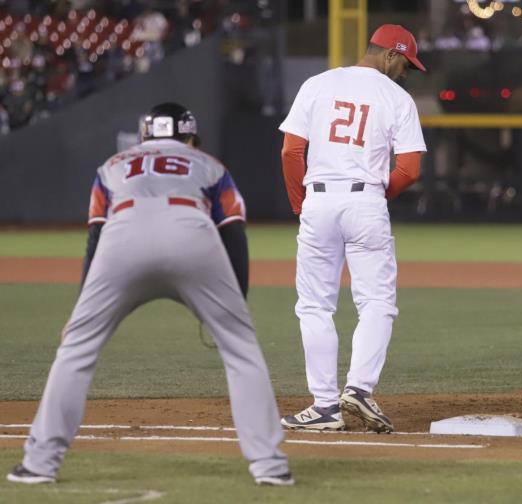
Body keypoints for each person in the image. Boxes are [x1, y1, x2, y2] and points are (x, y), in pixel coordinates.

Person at [6, 103, 293, 486]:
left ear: (145, 137)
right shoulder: (208, 165)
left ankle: (40, 464)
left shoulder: (113, 165)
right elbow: (233, 232)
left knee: (76, 350)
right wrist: (234, 306)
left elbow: (95, 236)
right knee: (241, 350)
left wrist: (80, 314)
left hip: (122, 233)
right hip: (191, 230)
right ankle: (269, 467)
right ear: (189, 137)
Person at [278, 25, 427, 433]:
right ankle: (359, 389)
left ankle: (325, 405)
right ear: (390, 55)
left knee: (314, 305)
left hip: (319, 199)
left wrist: (299, 204)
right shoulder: (397, 97)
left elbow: (292, 151)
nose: (406, 73)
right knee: (377, 302)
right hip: (366, 201)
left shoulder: (317, 84)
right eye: (406, 64)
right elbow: (409, 169)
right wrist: (379, 196)